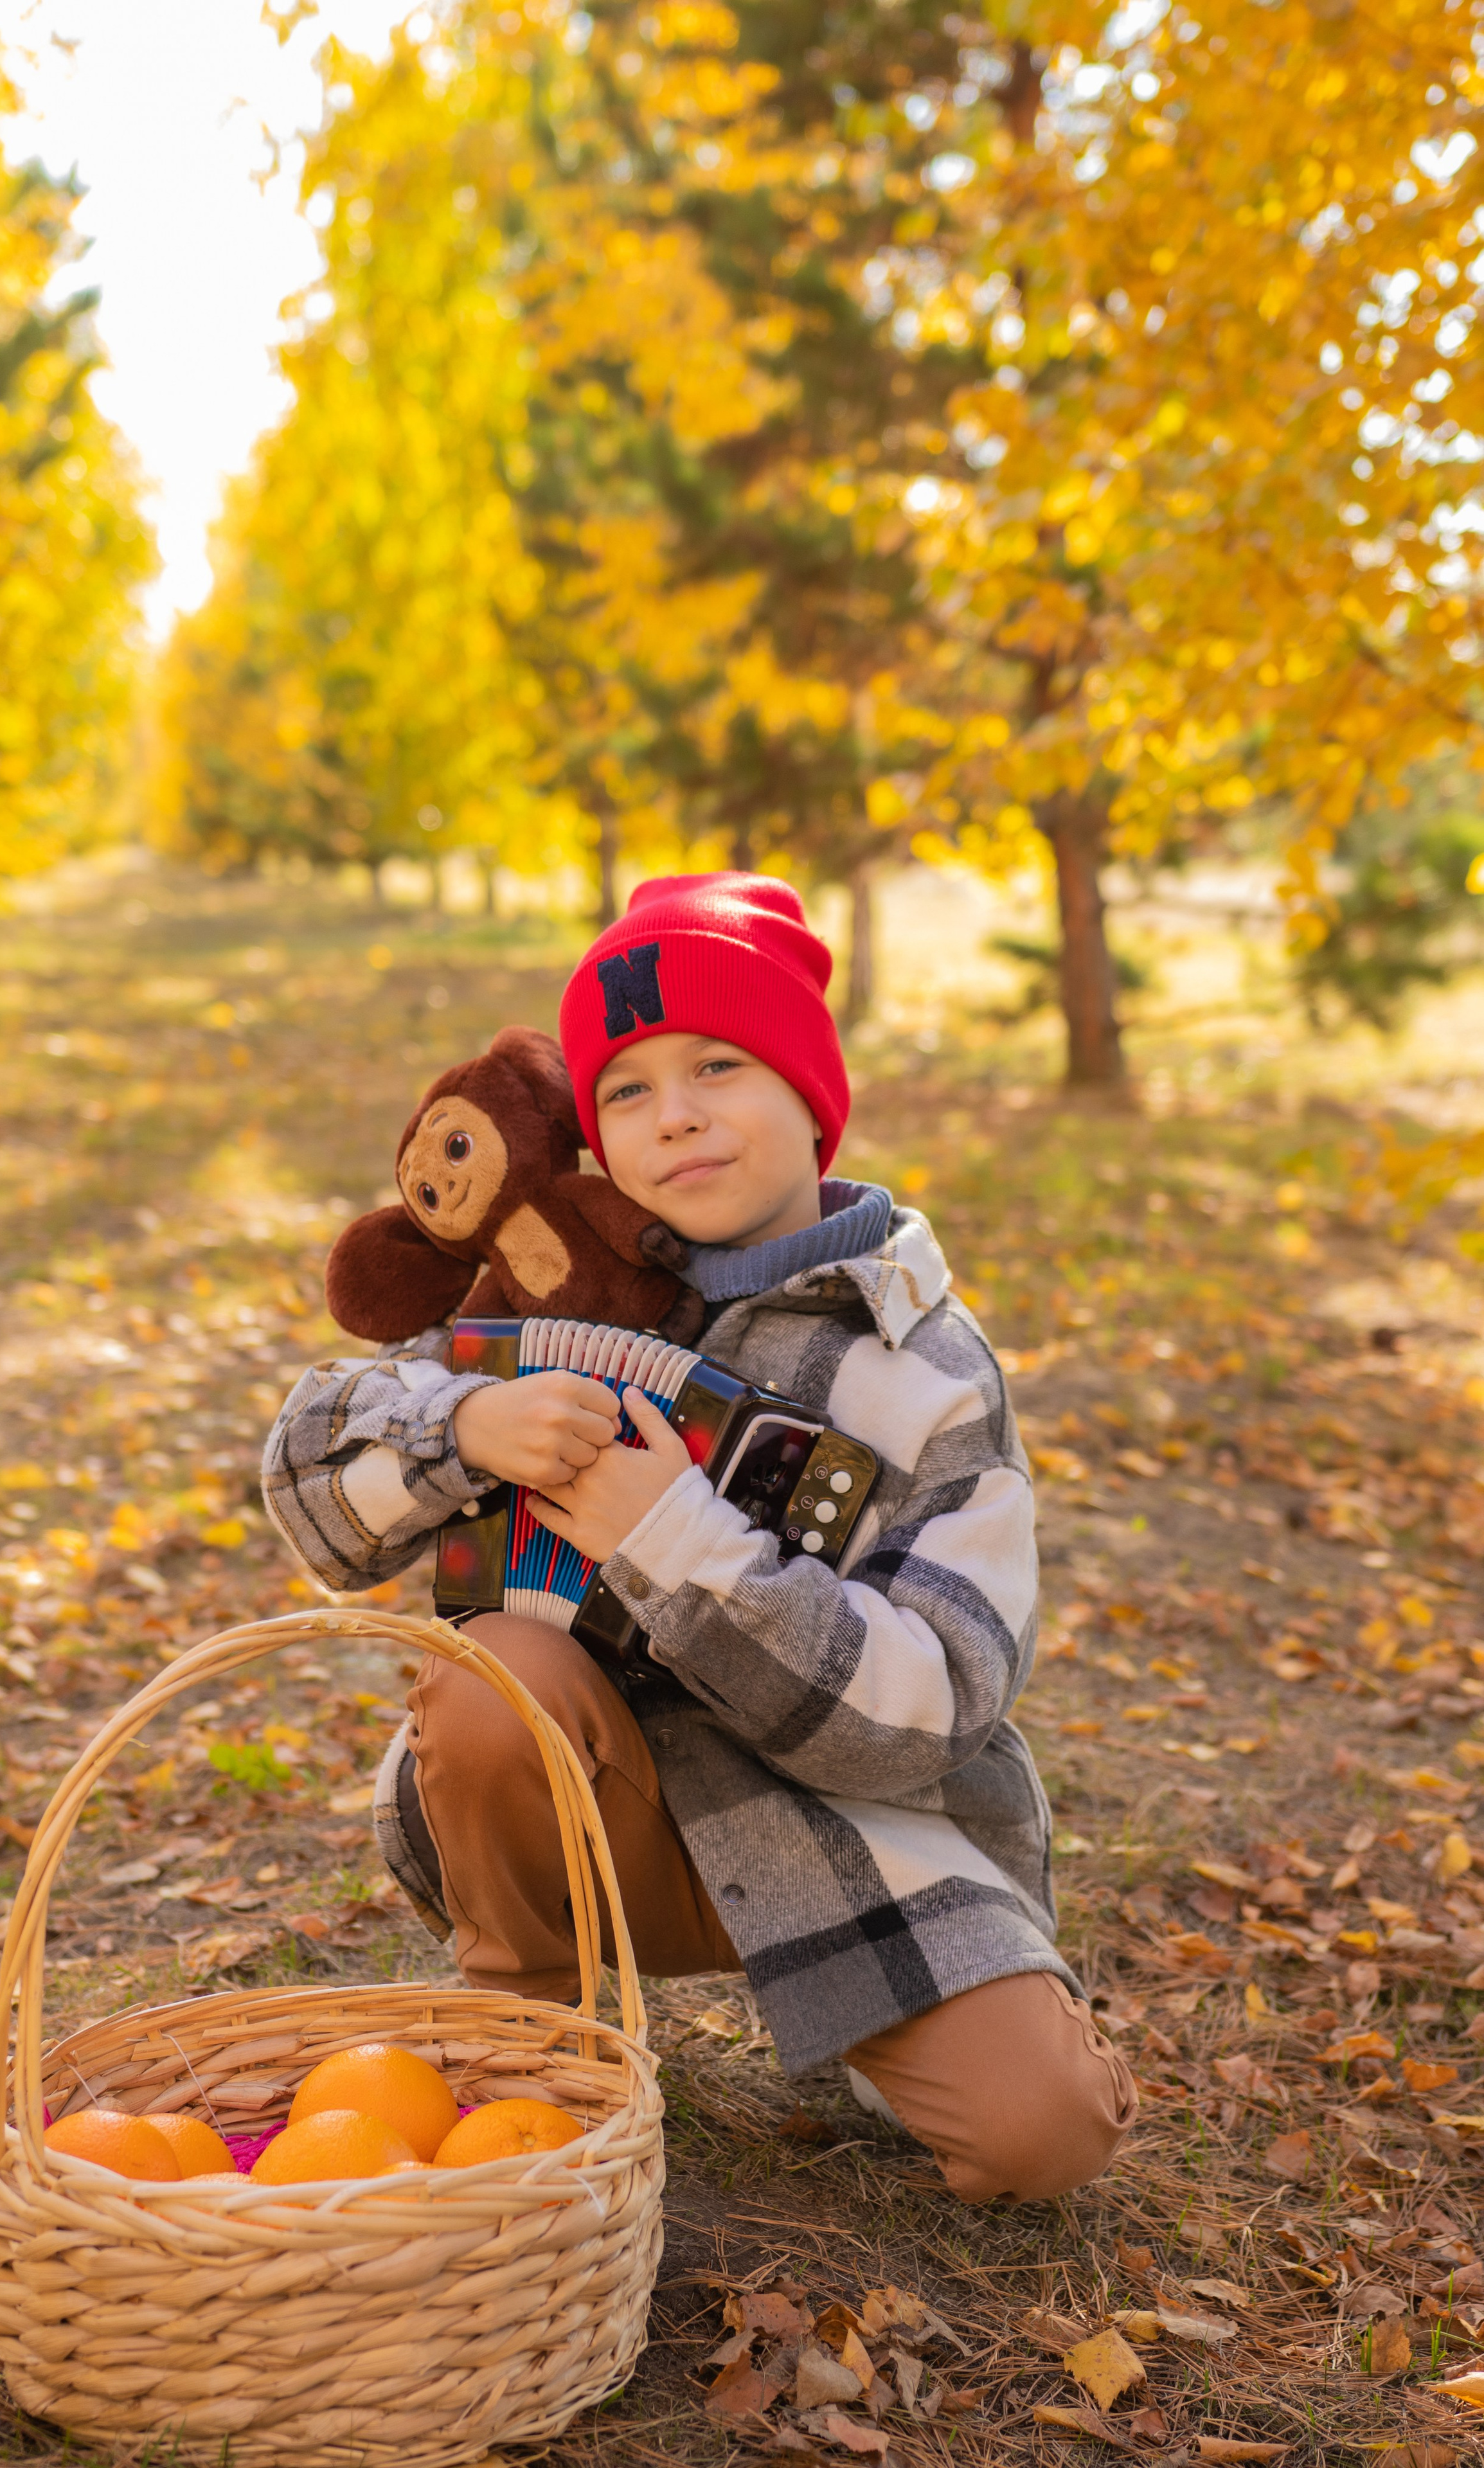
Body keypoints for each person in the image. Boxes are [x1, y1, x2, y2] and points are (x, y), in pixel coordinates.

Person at [262, 873, 1135, 2203]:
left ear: (807, 1092)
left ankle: (902, 2020)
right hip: (596, 1804)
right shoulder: (570, 1292)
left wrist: (670, 1531)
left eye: (718, 1066)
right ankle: (540, 2038)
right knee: (488, 1673)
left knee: (1039, 2143)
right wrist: (464, 1425)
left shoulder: (925, 1369)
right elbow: (307, 1488)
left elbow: (932, 1708)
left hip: (848, 1829)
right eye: (628, 1091)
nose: (674, 1115)